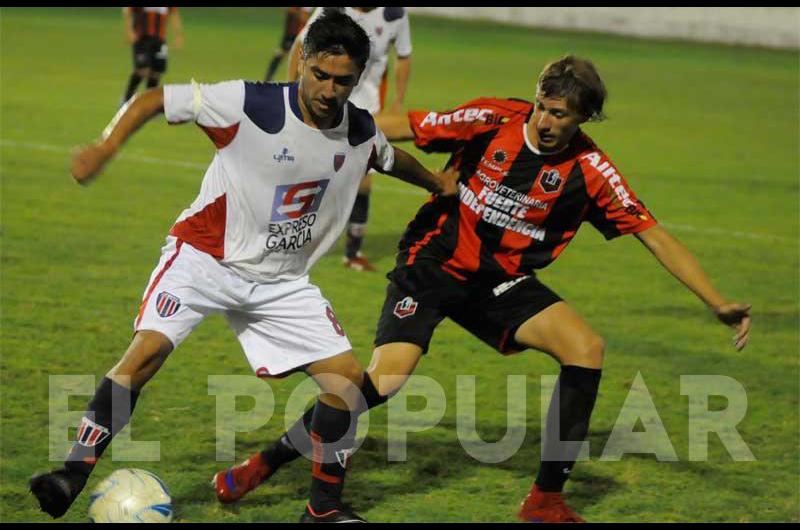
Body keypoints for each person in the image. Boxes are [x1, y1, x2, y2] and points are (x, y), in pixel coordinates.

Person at [212, 55, 752, 522]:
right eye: (542, 105)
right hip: (433, 264)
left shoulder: (590, 169)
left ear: (583, 119)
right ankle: (268, 461)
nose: (543, 120)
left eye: (559, 114)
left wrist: (716, 301)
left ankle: (544, 501)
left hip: (500, 282)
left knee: (585, 348)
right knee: (382, 382)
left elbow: (652, 234)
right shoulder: (494, 117)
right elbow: (407, 125)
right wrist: (327, 127)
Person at [29, 10, 456, 523]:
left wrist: (436, 182)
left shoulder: (358, 129)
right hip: (205, 258)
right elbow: (154, 99)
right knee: (145, 354)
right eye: (320, 74)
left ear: (360, 77)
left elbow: (389, 159)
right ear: (302, 60)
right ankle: (71, 474)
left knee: (346, 383)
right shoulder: (251, 104)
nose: (328, 89)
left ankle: (322, 511)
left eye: (343, 80)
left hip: (280, 281)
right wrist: (106, 145)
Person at [290, 7, 413, 272]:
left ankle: (353, 252)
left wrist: (398, 102)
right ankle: (289, 239)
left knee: (364, 182)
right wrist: (290, 91)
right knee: (304, 170)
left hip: (365, 108)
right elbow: (301, 44)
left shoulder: (395, 15)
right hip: (326, 101)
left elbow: (404, 56)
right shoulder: (332, 9)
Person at [121, 7, 184, 106]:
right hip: (141, 38)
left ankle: (149, 105)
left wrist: (178, 35)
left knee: (155, 73)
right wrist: (129, 31)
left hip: (159, 40)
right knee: (142, 70)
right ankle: (126, 99)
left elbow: (174, 13)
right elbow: (128, 11)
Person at [264, 7, 314, 82]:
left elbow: (305, 17)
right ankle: (267, 80)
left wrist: (295, 11)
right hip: (290, 33)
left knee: (301, 58)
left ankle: (297, 82)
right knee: (280, 54)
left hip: (300, 35)